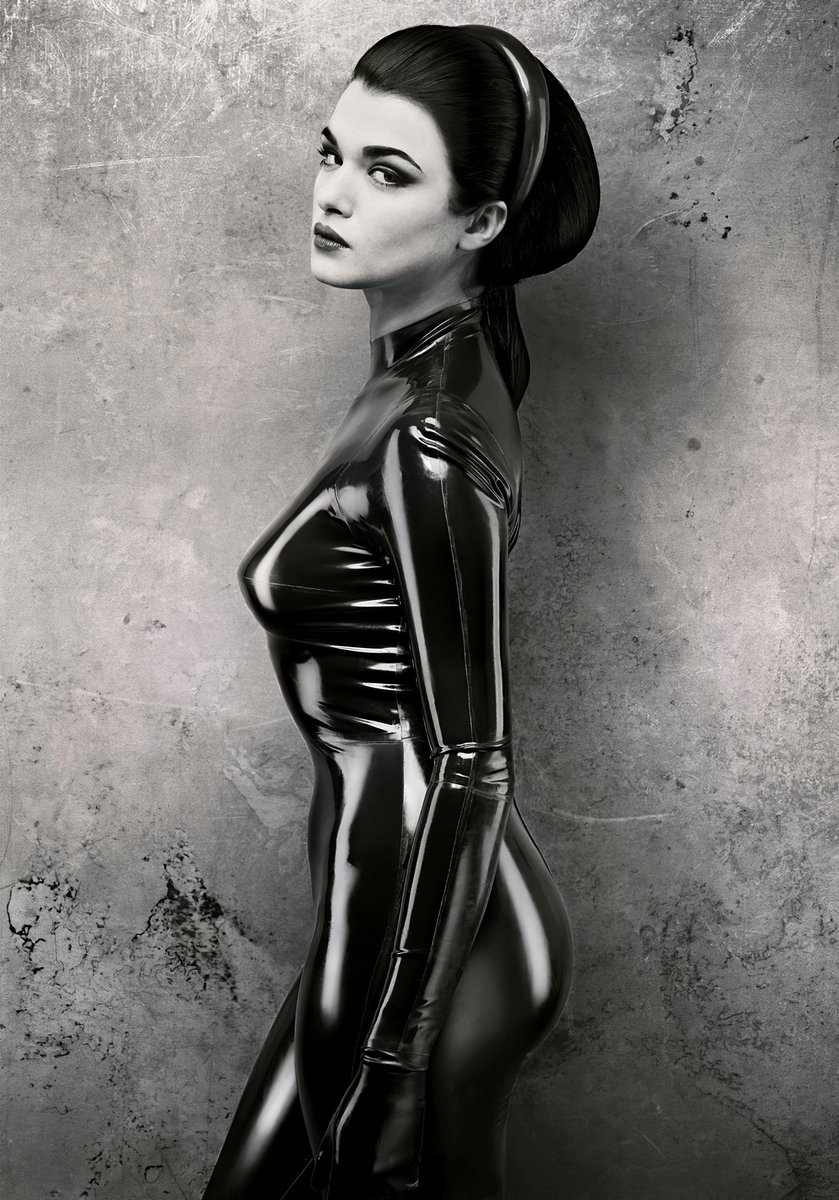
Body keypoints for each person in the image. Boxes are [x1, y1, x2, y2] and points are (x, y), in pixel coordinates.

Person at [201, 22, 599, 1200]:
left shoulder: (427, 430)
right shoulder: (411, 381)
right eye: (332, 153)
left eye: (386, 173)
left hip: (433, 931)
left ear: (479, 222)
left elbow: (470, 759)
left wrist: (390, 1061)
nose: (333, 194)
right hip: (394, 902)